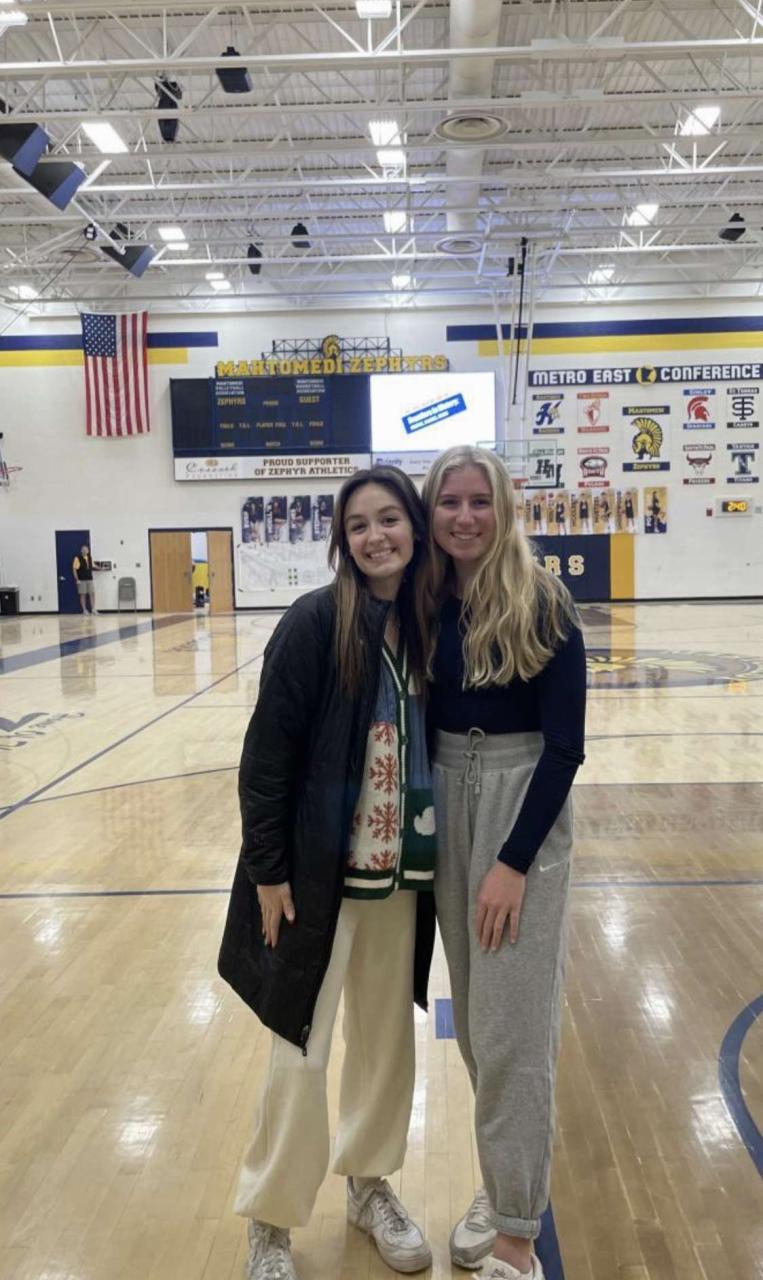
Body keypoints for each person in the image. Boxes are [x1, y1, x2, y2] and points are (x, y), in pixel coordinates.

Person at [218, 466, 437, 1280]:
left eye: (389, 519)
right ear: (342, 542)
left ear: (413, 527)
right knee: (299, 1049)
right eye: (358, 525)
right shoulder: (315, 621)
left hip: (401, 873)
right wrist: (267, 870)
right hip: (316, 876)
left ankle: (368, 1186)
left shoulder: (428, 623)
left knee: (385, 1042)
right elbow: (265, 755)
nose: (376, 536)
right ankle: (270, 1220)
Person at [421, 446, 587, 1280]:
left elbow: (565, 748)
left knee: (513, 1026)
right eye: (448, 501)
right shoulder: (421, 601)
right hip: (443, 797)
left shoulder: (543, 600)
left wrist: (512, 861)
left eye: (478, 500)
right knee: (482, 1024)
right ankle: (500, 1181)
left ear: (504, 507)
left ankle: (516, 1243)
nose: (463, 516)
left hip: (517, 806)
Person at [72, 544, 97, 614]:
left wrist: (101, 568)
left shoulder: (90, 558)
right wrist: (77, 579)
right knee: (83, 594)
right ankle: (84, 610)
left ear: (88, 551)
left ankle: (93, 609)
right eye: (83, 550)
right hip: (82, 579)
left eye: (86, 550)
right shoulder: (77, 558)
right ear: (81, 551)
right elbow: (74, 569)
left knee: (92, 593)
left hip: (90, 578)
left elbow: (93, 565)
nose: (85, 551)